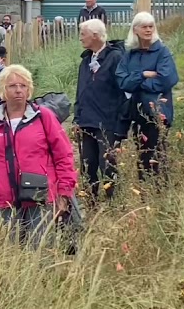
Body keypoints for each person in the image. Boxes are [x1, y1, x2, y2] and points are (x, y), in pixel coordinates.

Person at [0, 65, 77, 246]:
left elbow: (64, 155)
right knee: (8, 255)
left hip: (41, 197)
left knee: (40, 252)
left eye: (23, 85)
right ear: (2, 90)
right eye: (12, 86)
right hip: (4, 200)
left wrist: (64, 192)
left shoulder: (43, 116)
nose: (19, 90)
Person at [117, 11, 178, 182]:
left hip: (158, 113)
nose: (149, 30)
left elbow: (167, 79)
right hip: (136, 113)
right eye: (144, 27)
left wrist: (137, 84)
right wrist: (143, 74)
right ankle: (145, 195)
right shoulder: (130, 54)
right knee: (142, 155)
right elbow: (122, 81)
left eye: (151, 26)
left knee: (157, 155)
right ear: (135, 30)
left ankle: (160, 194)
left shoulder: (162, 51)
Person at [75, 19, 126, 200]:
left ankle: (115, 205)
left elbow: (123, 93)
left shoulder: (115, 58)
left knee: (108, 166)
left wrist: (121, 124)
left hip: (107, 122)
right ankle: (92, 204)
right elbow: (80, 91)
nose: (80, 38)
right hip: (87, 121)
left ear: (95, 35)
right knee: (88, 166)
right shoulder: (86, 60)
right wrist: (77, 117)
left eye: (83, 34)